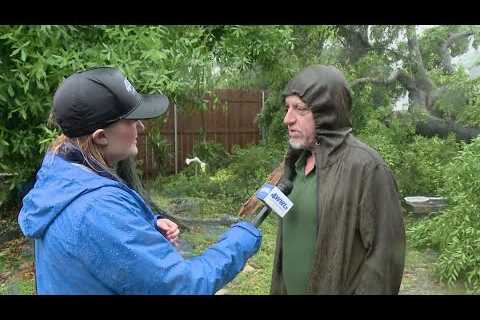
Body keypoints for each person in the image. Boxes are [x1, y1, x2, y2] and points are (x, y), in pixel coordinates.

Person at [18, 67, 262, 294]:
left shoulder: (61, 172)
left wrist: (145, 226)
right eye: (131, 120)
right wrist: (242, 237)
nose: (141, 126)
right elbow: (183, 286)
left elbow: (90, 241)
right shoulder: (98, 208)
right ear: (101, 137)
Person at [270, 65, 405, 295]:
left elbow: (386, 259)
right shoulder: (296, 163)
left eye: (300, 109)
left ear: (327, 113)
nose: (287, 119)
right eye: (287, 108)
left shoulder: (365, 167)